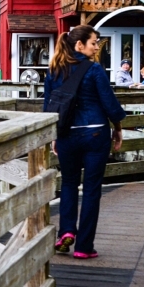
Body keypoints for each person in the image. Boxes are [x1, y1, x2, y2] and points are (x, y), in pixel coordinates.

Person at [45, 25, 126, 259]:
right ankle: (84, 246)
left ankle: (66, 231)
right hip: (95, 134)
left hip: (67, 134)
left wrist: (53, 135)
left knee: (69, 184)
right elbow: (109, 103)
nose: (97, 46)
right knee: (91, 189)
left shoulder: (54, 70)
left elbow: (48, 106)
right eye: (94, 42)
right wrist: (118, 128)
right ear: (79, 45)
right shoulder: (94, 70)